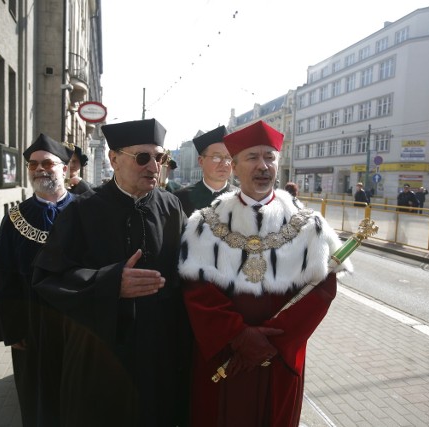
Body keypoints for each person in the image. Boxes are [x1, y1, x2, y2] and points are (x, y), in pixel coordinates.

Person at [178, 120, 352, 427]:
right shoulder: (204, 223)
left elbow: (321, 291)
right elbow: (196, 291)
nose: (263, 166)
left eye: (269, 158)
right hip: (224, 357)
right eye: (252, 157)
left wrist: (270, 341)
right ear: (234, 167)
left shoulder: (309, 224)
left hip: (279, 357)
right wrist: (238, 335)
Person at [31, 118, 191, 426]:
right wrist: (109, 282)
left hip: (159, 350)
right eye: (142, 158)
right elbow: (48, 278)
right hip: (102, 349)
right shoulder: (81, 210)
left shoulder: (171, 207)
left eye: (159, 157)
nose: (154, 167)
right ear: (113, 159)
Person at [0, 133, 79, 426]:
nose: (39, 169)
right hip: (32, 325)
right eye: (33, 164)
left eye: (47, 163)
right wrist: (12, 331)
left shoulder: (88, 210)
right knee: (38, 399)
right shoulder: (15, 217)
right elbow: (4, 278)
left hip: (78, 325)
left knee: (79, 393)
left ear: (64, 168)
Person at [174, 125, 237, 217]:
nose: (224, 163)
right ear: (201, 161)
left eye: (228, 158)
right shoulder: (179, 200)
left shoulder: (242, 199)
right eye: (216, 157)